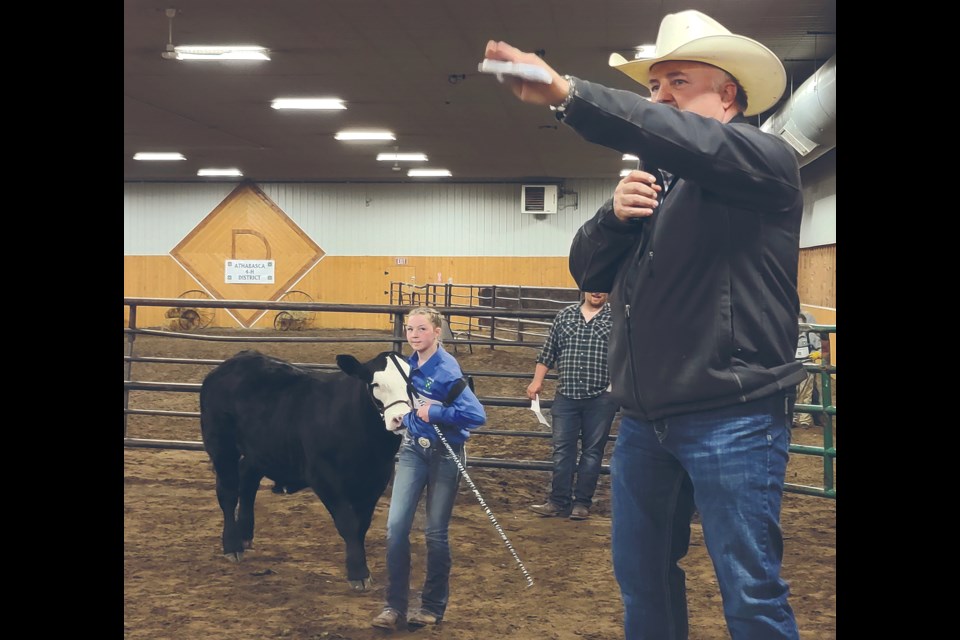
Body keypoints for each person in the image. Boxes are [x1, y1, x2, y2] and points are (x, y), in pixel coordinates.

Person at [483, 9, 806, 640]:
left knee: (750, 592)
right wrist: (614, 217)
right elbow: (588, 272)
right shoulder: (658, 181)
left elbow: (690, 140)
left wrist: (568, 95)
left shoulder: (765, 160)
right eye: (653, 88)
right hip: (643, 419)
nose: (659, 99)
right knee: (643, 581)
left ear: (727, 94)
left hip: (732, 412)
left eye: (677, 83)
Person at [371, 307, 486, 632]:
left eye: (421, 329)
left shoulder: (447, 370)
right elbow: (405, 407)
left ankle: (432, 607)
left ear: (437, 332)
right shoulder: (406, 368)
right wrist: (406, 418)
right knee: (395, 529)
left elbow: (476, 415)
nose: (414, 335)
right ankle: (393, 606)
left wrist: (436, 413)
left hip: (446, 454)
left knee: (435, 532)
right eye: (409, 329)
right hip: (412, 451)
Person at [526, 291, 618, 520]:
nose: (596, 292)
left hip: (600, 398)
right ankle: (558, 500)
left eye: (601, 287)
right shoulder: (565, 315)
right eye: (592, 287)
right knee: (562, 450)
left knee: (592, 452)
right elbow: (549, 350)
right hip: (566, 394)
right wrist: (537, 381)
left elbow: (625, 355)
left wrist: (616, 387)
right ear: (584, 289)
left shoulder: (616, 318)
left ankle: (582, 503)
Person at [793, 311, 823, 427]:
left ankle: (804, 420)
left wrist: (817, 354)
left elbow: (820, 348)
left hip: (808, 367)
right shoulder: (790, 337)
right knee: (793, 393)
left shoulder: (810, 336)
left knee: (807, 394)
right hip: (794, 367)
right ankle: (793, 418)